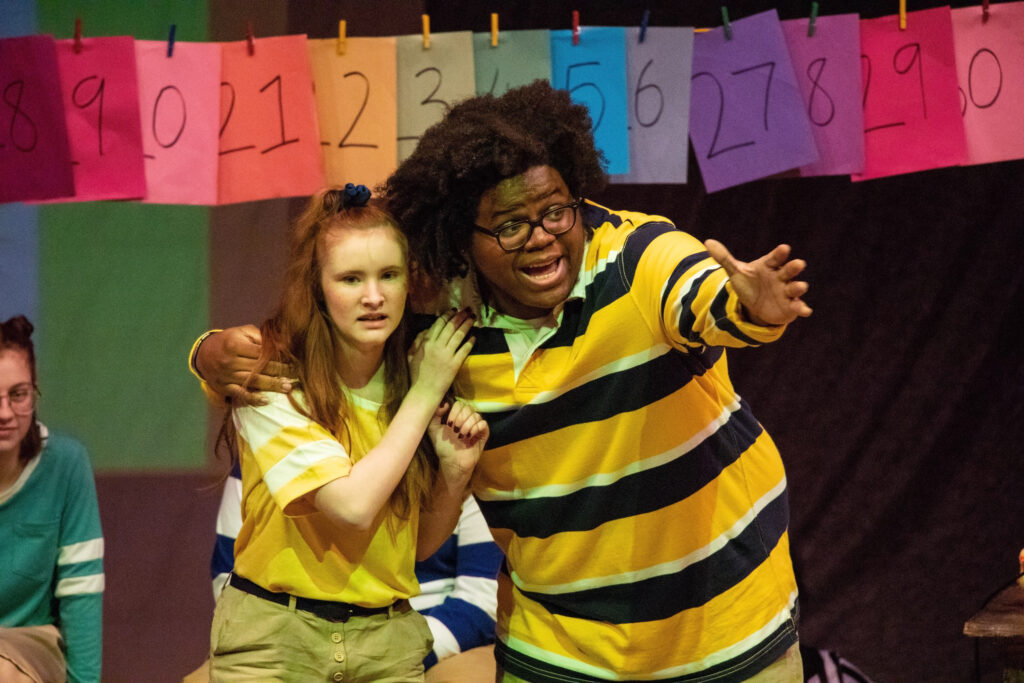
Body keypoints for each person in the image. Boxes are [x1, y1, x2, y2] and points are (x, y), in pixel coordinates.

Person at [194, 81, 813, 681]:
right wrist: (210, 353)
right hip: (559, 649)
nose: (542, 234)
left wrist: (749, 306)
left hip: (723, 634)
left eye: (556, 211)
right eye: (511, 224)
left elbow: (699, 295)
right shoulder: (440, 327)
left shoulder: (637, 258)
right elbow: (324, 341)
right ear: (466, 239)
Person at [205, 184, 488, 682]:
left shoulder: (416, 373)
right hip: (275, 642)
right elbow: (353, 508)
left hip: (387, 642)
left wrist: (454, 472)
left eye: (389, 276)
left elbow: (415, 548)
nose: (373, 296)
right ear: (318, 288)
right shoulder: (275, 379)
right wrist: (426, 394)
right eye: (351, 278)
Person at [204, 462, 503, 681]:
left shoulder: (454, 446)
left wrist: (388, 656)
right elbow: (229, 579)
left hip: (416, 633)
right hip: (285, 632)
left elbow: (481, 599)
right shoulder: (273, 434)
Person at [0, 315, 105, 683]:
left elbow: (82, 594)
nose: (5, 413)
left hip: (32, 643)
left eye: (18, 395)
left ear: (35, 391)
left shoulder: (65, 464)